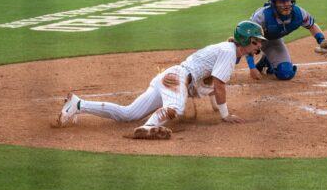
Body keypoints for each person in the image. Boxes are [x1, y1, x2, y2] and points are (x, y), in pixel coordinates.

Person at [57, 21, 265, 139]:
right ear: (246, 39)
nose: (259, 47)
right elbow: (219, 85)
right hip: (176, 78)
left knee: (128, 113)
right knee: (177, 108)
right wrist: (225, 114)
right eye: (256, 42)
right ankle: (148, 127)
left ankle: (78, 104)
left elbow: (210, 84)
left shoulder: (228, 51)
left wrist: (212, 102)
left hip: (171, 77)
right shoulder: (229, 52)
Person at [247, 0, 327, 81]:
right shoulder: (262, 16)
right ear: (273, 2)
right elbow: (248, 40)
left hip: (273, 40)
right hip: (254, 40)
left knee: (285, 73)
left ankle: (266, 61)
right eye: (281, 1)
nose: (286, 5)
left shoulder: (299, 13)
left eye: (288, 0)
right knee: (233, 58)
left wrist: (322, 41)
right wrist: (252, 67)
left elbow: (312, 26)